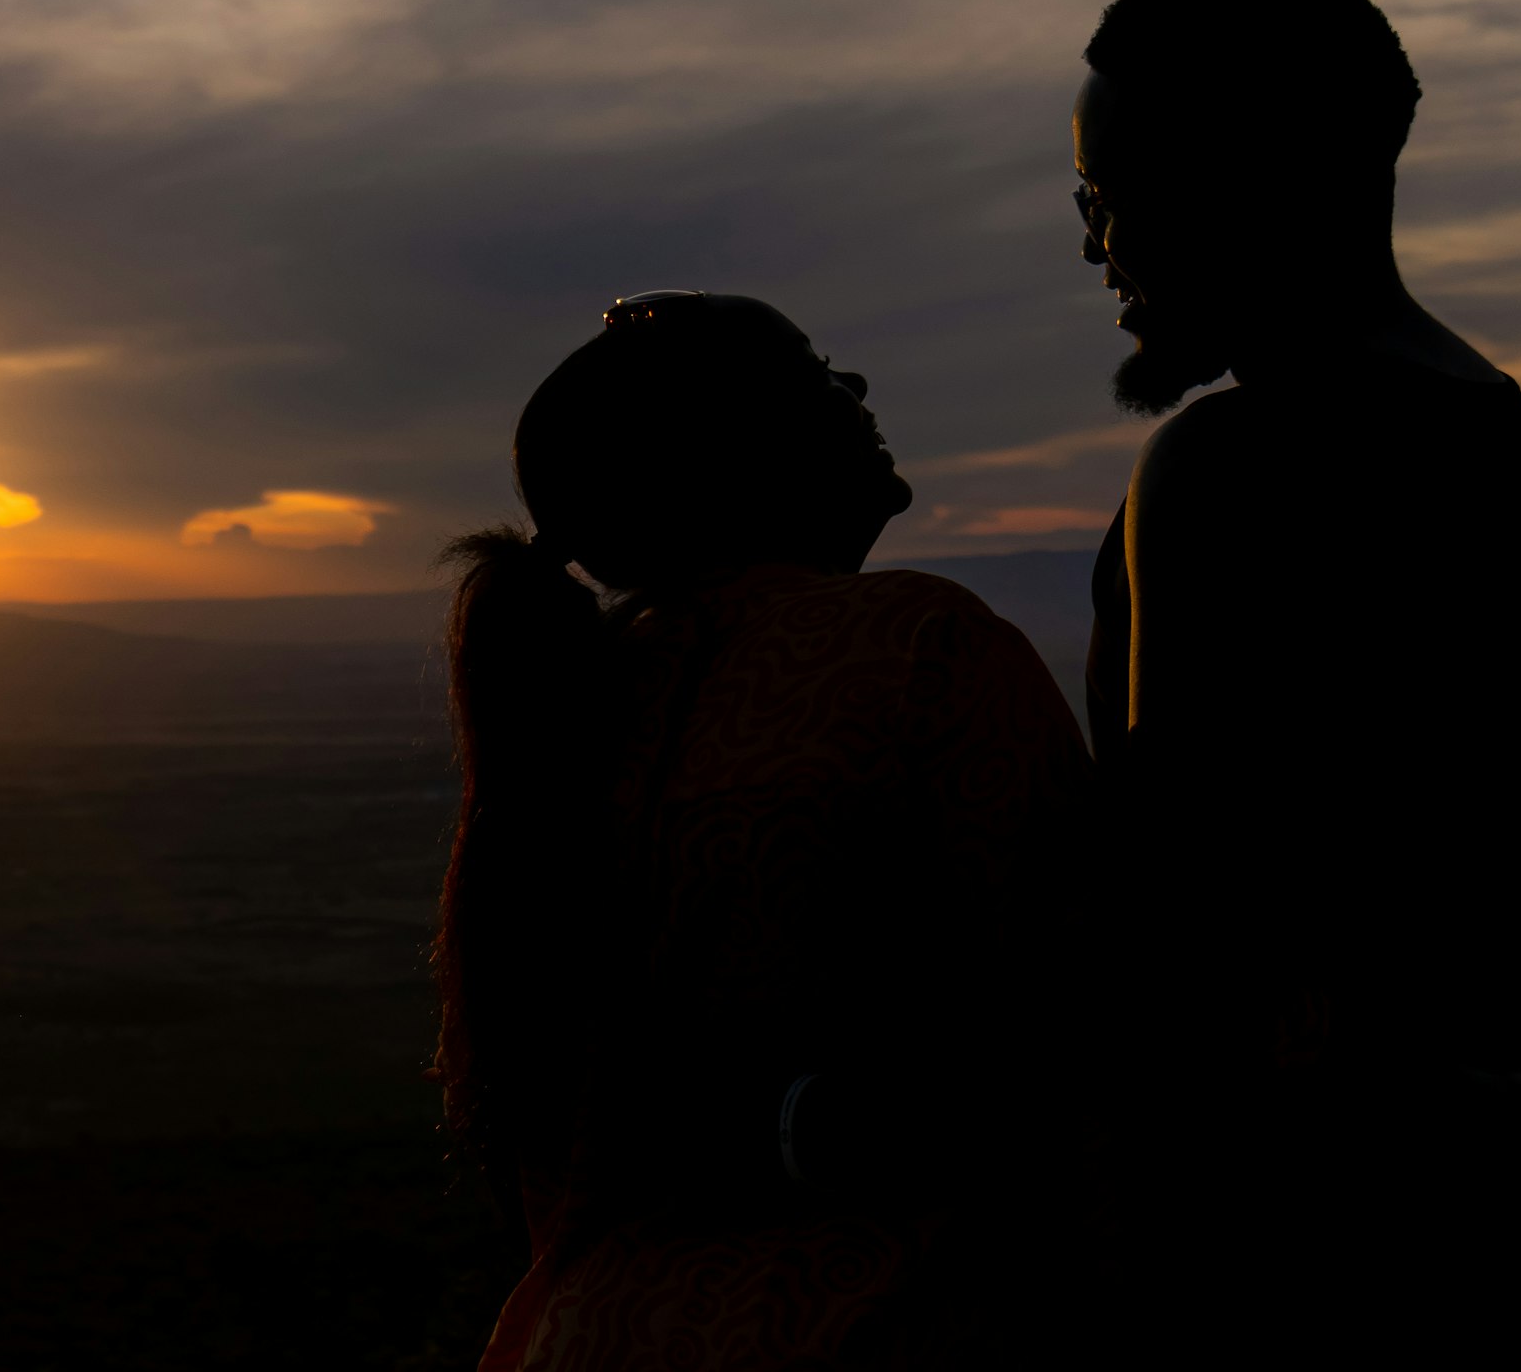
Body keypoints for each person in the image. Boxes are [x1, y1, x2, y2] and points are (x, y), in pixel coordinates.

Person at [1070, 0, 1521, 1361]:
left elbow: (1172, 898)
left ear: (1246, 179)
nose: (1095, 247)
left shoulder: (1232, 462)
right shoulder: (1498, 433)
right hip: (1487, 1222)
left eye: (1111, 197)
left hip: (1289, 1231)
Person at [430, 292, 1103, 1371]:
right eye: (819, 374)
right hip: (891, 1316)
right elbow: (1075, 1034)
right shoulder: (922, 643)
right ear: (736, 450)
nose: (858, 390)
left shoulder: (567, 710)